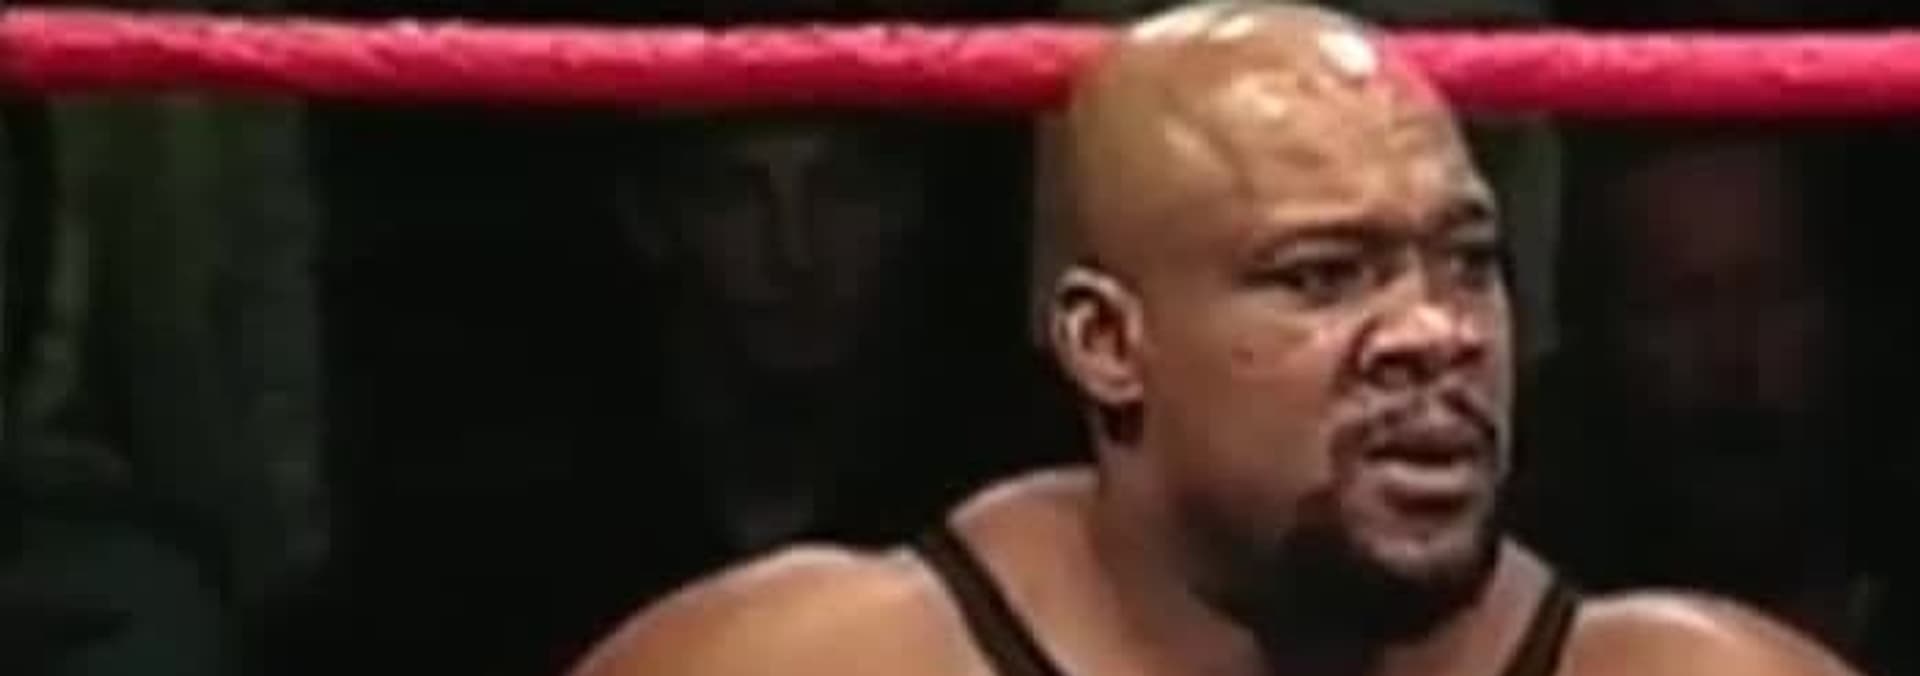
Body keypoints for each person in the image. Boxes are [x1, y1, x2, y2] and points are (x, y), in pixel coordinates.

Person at [566, 3, 1863, 675]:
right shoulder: (811, 664)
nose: (1433, 333)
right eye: (1321, 277)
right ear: (1105, 343)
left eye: (1467, 262)